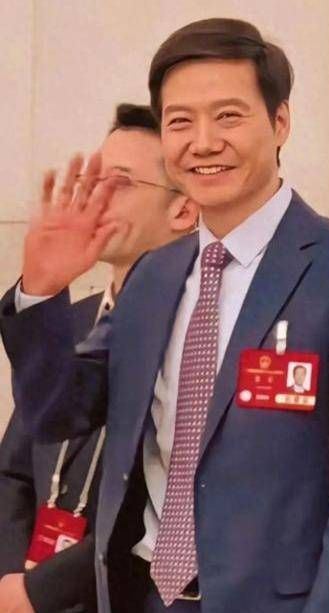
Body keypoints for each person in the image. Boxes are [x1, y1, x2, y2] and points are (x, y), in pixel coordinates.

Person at [0, 18, 329, 613]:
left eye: (228, 116)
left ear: (280, 122)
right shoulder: (155, 276)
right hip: (146, 593)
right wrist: (41, 293)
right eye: (180, 122)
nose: (203, 142)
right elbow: (58, 412)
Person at [0, 103, 198, 613]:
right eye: (93, 181)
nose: (95, 197)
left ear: (183, 210)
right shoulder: (71, 320)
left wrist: (41, 591)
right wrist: (12, 578)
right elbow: (14, 471)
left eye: (121, 183)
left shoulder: (200, 335)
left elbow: (158, 509)